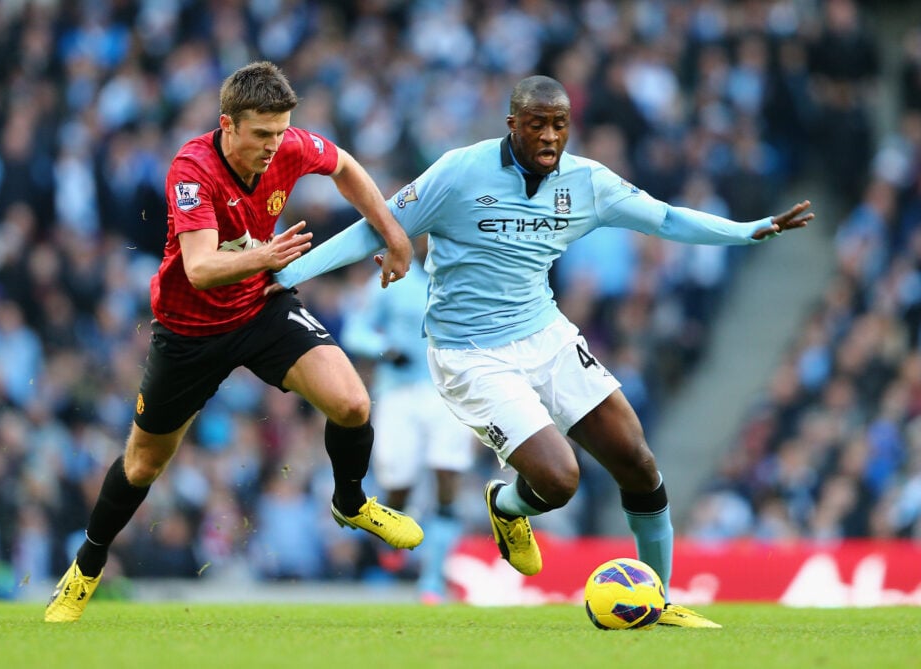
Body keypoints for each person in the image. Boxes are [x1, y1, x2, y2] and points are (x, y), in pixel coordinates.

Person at [273, 75, 814, 628]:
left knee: (638, 463)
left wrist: (749, 230)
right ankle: (508, 506)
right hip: (470, 354)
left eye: (560, 124)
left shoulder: (587, 183)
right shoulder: (460, 172)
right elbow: (375, 228)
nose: (550, 136)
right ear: (512, 124)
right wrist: (289, 273)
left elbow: (667, 218)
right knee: (559, 480)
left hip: (545, 334)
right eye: (537, 124)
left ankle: (660, 602)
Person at [45, 61, 422, 622]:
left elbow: (345, 166)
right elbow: (198, 269)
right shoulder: (191, 169)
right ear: (227, 124)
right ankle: (87, 566)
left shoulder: (289, 144)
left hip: (260, 310)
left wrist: (394, 233)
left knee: (352, 403)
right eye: (262, 134)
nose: (275, 146)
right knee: (144, 465)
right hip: (189, 331)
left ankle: (351, 502)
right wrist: (266, 256)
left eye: (281, 132)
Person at [340, 235, 475, 604]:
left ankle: (432, 580)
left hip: (448, 391)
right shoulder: (393, 277)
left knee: (448, 475)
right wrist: (386, 350)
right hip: (400, 391)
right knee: (398, 482)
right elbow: (355, 330)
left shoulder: (464, 276)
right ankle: (395, 527)